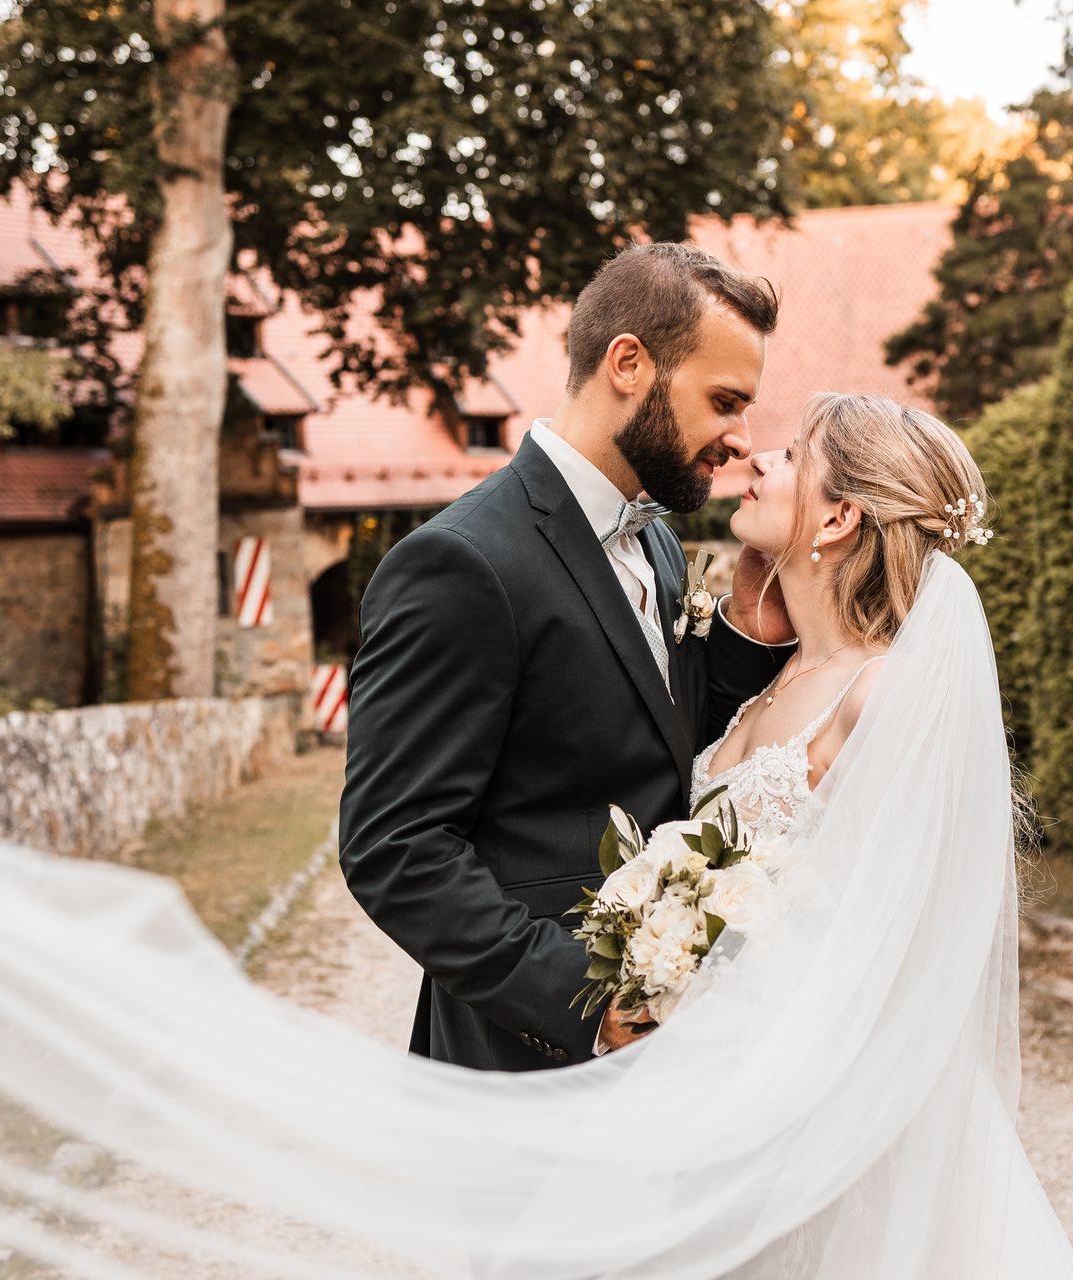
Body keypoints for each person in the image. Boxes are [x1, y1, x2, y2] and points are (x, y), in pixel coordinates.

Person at [0, 382, 1073, 1275]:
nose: (748, 454)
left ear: (838, 513)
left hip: (797, 1112)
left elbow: (885, 940)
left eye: (781, 454)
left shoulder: (891, 696)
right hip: (697, 1085)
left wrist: (707, 1029)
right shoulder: (777, 662)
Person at [337, 242, 798, 1072]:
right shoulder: (461, 564)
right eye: (724, 401)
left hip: (666, 1060)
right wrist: (585, 1005)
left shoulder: (655, 540)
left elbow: (663, 736)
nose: (740, 439)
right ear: (629, 363)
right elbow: (396, 846)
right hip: (524, 1059)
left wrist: (754, 620)